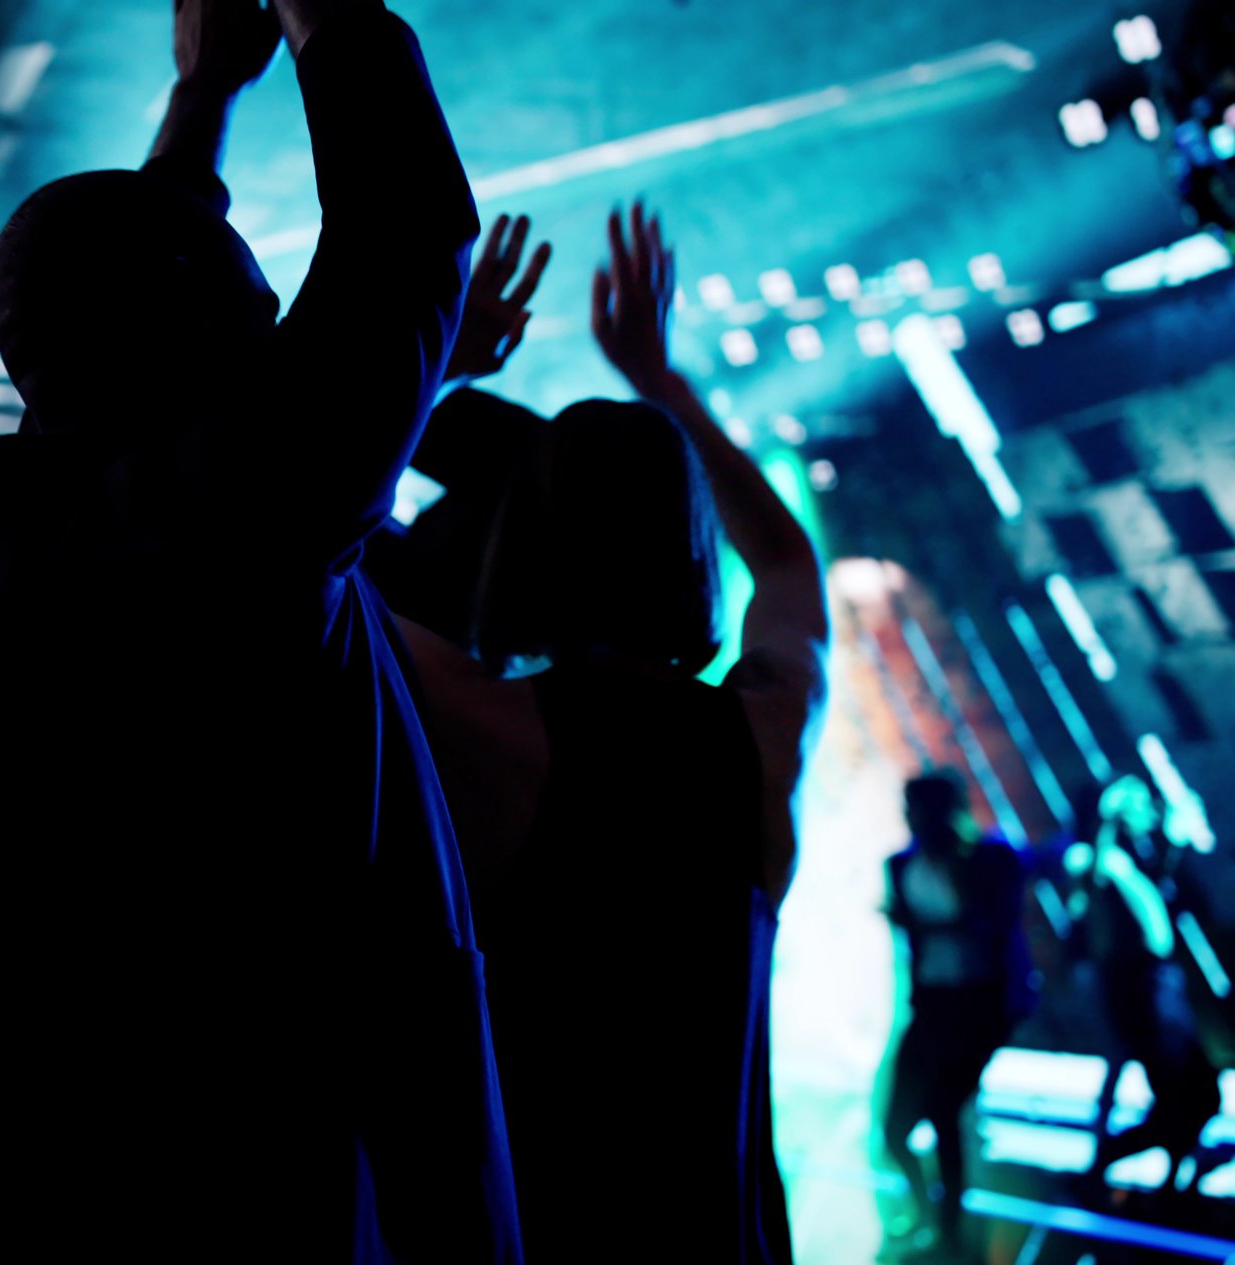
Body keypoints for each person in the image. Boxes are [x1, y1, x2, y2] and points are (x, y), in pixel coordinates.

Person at [0, 0, 515, 1255]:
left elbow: (107, 302)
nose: (271, 316)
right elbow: (402, 238)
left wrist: (202, 98)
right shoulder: (251, 505)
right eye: (249, 297)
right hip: (254, 1165)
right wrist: (320, 18)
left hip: (26, 1153)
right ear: (195, 326)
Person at [377, 203, 824, 1263]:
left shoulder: (485, 720)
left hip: (539, 1222)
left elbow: (300, 544)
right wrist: (663, 386)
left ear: (519, 548)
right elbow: (792, 571)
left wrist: (433, 368)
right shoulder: (762, 736)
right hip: (724, 1233)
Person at [880, 771, 1035, 1261]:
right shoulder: (901, 863)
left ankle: (949, 1229)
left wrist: (937, 921)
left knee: (945, 1114)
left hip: (980, 1007)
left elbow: (997, 924)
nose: (911, 818)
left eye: (918, 808)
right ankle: (928, 1212)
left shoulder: (991, 858)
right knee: (894, 1127)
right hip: (932, 1006)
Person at [1069, 775, 1220, 1205]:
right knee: (1180, 1094)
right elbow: (1122, 899)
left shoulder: (1131, 857)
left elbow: (1157, 897)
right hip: (1138, 988)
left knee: (1196, 1091)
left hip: (1157, 984)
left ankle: (1169, 1180)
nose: (1146, 808)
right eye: (1134, 802)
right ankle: (1105, 1171)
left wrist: (1172, 843)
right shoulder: (1100, 859)